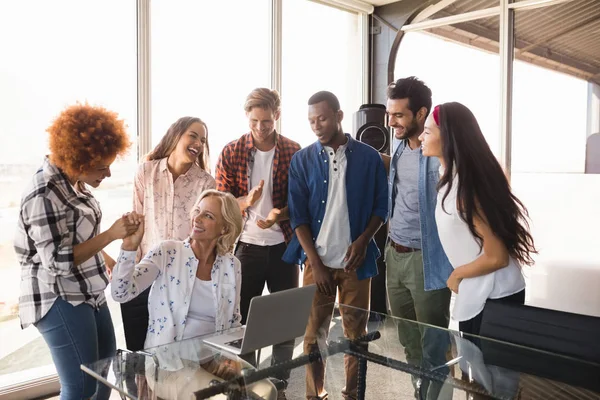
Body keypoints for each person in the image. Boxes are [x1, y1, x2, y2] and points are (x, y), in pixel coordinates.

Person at [14, 103, 134, 400]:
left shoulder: (75, 183)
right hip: (57, 294)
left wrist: (107, 258)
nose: (107, 173)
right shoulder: (43, 193)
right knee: (81, 386)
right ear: (79, 159)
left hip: (88, 289)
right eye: (101, 166)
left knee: (104, 373)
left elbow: (80, 235)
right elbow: (56, 262)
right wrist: (111, 235)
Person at [283, 91, 388, 400]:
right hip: (317, 264)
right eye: (311, 121)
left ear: (340, 116)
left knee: (357, 337)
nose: (317, 125)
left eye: (323, 118)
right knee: (313, 338)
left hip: (357, 263)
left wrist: (363, 239)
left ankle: (353, 395)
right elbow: (298, 216)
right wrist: (315, 263)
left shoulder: (370, 157)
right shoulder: (302, 160)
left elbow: (382, 206)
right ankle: (315, 396)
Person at [419, 102, 536, 336]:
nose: (421, 136)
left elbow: (497, 257)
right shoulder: (450, 180)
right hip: (478, 290)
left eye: (428, 131)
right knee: (476, 365)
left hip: (497, 295)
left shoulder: (467, 189)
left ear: (449, 138)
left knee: (493, 371)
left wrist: (456, 274)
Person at [214, 88, 301, 394]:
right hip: (245, 248)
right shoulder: (232, 151)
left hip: (284, 248)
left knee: (284, 321)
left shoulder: (293, 151)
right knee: (243, 324)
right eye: (254, 121)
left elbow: (304, 203)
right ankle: (244, 383)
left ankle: (279, 381)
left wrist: (280, 214)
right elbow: (220, 204)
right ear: (247, 117)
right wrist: (246, 201)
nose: (260, 127)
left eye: (266, 121)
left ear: (277, 114)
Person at [120, 116, 216, 351]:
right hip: (145, 271)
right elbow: (137, 223)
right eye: (193, 136)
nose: (199, 143)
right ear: (176, 136)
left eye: (203, 140)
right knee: (138, 352)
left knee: (172, 354)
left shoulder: (205, 182)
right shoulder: (146, 172)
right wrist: (130, 265)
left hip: (182, 279)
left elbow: (204, 234)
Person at [112, 189, 243, 348]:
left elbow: (234, 321)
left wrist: (231, 358)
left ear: (225, 228)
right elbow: (120, 293)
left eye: (208, 216)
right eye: (197, 211)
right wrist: (129, 247)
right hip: (168, 360)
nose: (197, 219)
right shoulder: (167, 252)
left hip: (213, 358)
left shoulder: (231, 265)